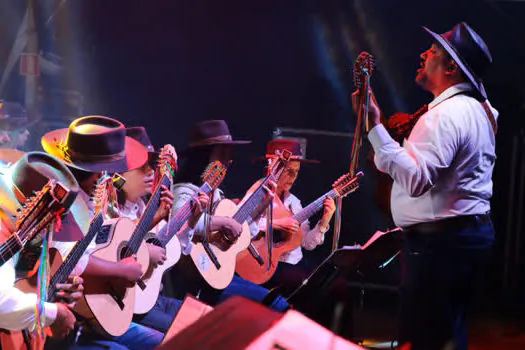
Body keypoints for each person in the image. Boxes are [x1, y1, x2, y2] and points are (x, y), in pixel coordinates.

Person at [353, 22, 497, 350]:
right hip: (466, 238)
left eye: (432, 52)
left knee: (424, 338)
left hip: (440, 247)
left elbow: (416, 180)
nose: (422, 54)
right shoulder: (479, 111)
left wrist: (375, 126)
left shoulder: (444, 116)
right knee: (447, 334)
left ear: (450, 68)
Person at [41, 116, 164, 349]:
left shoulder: (91, 201)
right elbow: (71, 257)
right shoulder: (64, 202)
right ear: (95, 172)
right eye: (106, 170)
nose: (109, 176)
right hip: (68, 321)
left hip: (94, 311)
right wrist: (121, 269)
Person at [165, 119, 289, 311]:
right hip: (195, 279)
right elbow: (178, 222)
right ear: (204, 156)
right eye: (223, 153)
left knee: (276, 301)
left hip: (216, 275)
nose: (229, 160)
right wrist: (222, 221)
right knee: (274, 304)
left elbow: (237, 229)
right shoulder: (185, 190)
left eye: (230, 154)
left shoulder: (218, 194)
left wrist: (258, 209)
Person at [119, 126, 206, 333]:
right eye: (142, 166)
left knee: (210, 320)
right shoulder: (111, 211)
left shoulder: (144, 205)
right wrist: (146, 252)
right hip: (131, 304)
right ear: (120, 171)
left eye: (151, 164)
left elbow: (176, 248)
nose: (150, 172)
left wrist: (191, 220)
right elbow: (115, 250)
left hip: (153, 298)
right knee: (188, 334)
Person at [0, 152, 85, 340]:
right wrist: (55, 314)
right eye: (52, 222)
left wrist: (55, 288)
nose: (55, 230)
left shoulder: (23, 234)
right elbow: (2, 302)